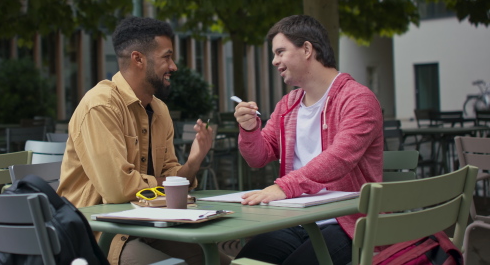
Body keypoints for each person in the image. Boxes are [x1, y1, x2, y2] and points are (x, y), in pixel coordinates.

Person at [57, 16, 230, 265]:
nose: (174, 66)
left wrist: (193, 162)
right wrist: (166, 184)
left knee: (220, 262)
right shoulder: (100, 105)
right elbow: (119, 190)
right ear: (138, 59)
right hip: (100, 236)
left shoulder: (159, 110)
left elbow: (171, 176)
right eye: (166, 57)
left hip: (152, 225)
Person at [233, 15, 384, 264]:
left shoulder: (358, 99)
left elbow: (339, 158)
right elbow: (258, 157)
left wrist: (284, 187)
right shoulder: (289, 104)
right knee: (246, 261)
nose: (274, 61)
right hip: (297, 219)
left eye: (280, 51)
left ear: (306, 49)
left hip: (349, 223)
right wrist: (249, 129)